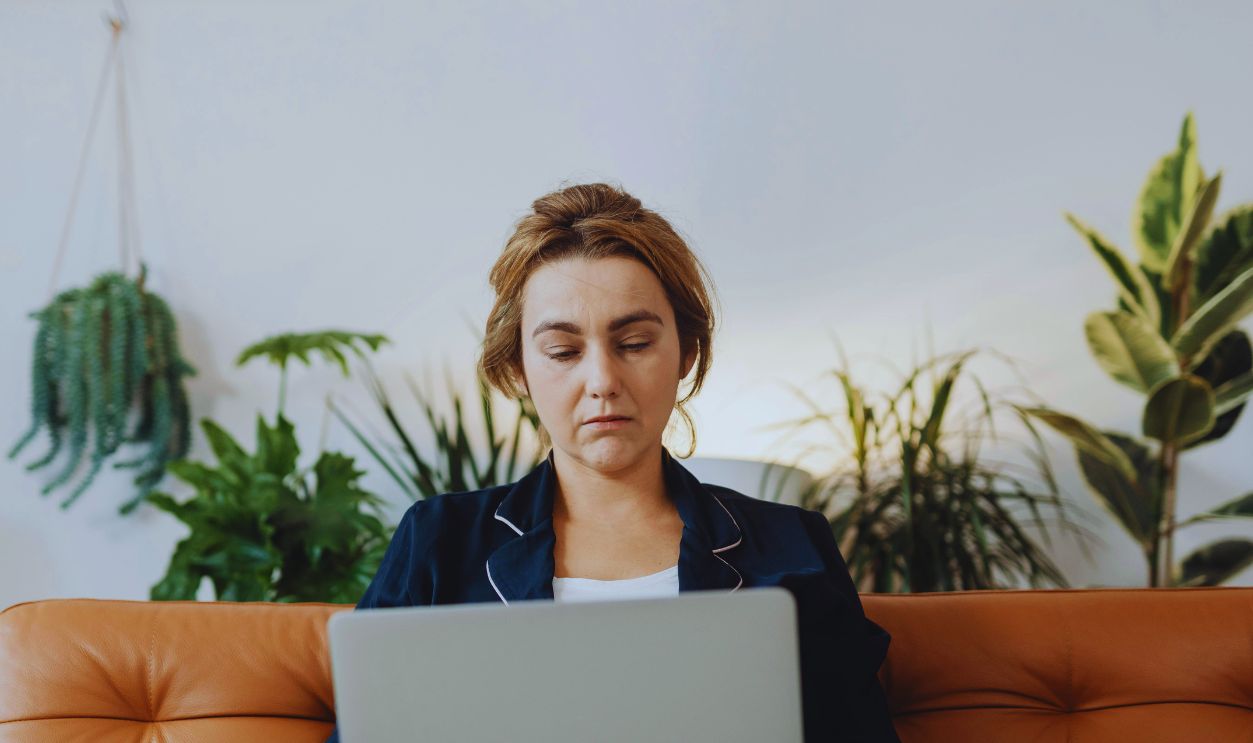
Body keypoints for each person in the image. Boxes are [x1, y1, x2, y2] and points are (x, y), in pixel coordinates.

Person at [324, 182, 899, 742]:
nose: (602, 381)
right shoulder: (437, 540)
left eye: (634, 344)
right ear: (521, 370)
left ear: (685, 353)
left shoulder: (793, 542)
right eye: (563, 352)